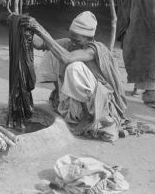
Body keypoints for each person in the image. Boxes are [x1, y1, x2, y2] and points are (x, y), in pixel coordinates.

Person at [29, 11, 128, 142]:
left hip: (97, 103)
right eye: (71, 38)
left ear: (89, 39)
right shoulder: (69, 43)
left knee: (73, 67)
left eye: (77, 40)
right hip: (74, 102)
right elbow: (41, 44)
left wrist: (39, 29)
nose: (73, 43)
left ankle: (87, 116)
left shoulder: (95, 49)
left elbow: (67, 57)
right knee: (52, 51)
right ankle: (61, 99)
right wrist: (26, 30)